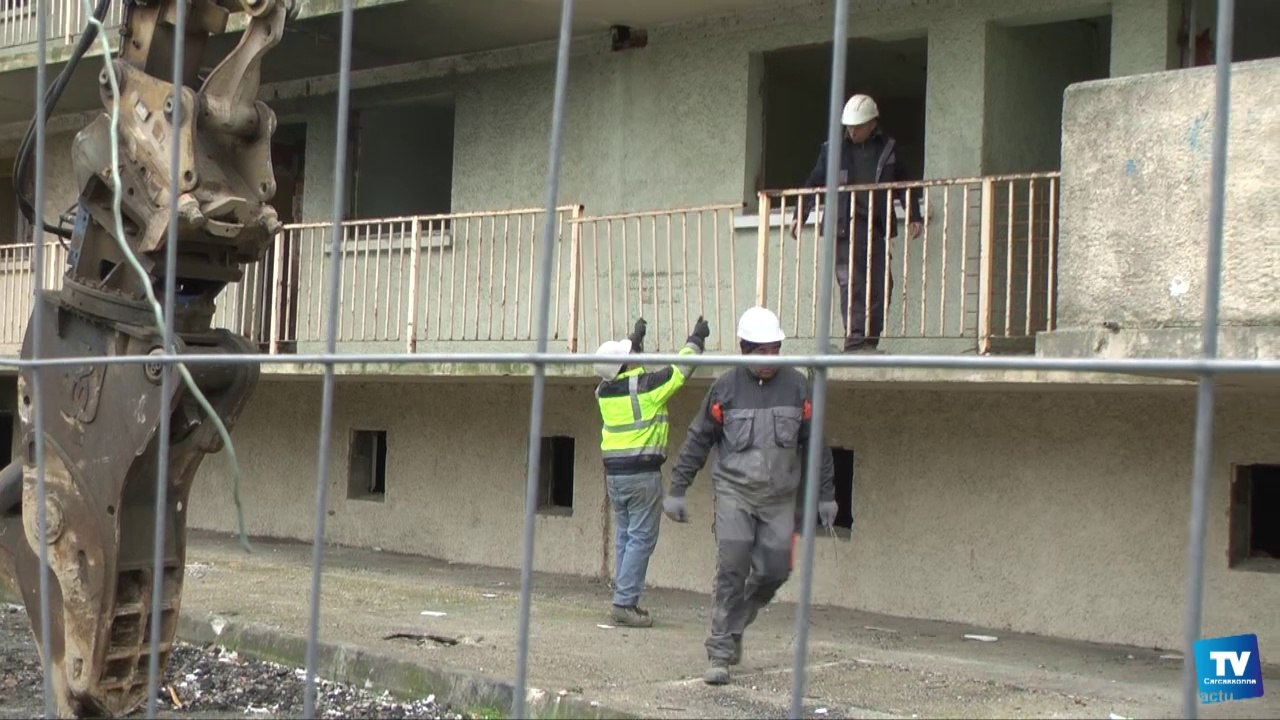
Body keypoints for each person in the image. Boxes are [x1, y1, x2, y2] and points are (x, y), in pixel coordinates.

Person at [663, 306, 836, 685]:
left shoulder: (796, 386)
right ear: (743, 349)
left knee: (777, 569)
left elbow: (816, 444)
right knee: (732, 567)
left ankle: (737, 623)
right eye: (760, 350)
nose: (769, 358)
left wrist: (826, 495)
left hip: (779, 498)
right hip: (734, 493)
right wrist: (677, 488)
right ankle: (720, 652)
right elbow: (698, 439)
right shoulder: (724, 388)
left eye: (774, 349)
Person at [594, 314, 711, 628]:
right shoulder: (645, 387)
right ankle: (624, 603)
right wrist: (696, 339)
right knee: (641, 539)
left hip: (615, 476)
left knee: (625, 536)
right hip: (642, 475)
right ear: (628, 365)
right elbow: (679, 371)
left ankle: (625, 596)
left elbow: (630, 372)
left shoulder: (604, 391)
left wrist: (636, 341)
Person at [791, 93, 923, 353]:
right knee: (851, 283)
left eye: (858, 126)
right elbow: (813, 182)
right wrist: (800, 214)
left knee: (880, 284)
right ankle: (854, 341)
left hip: (875, 226)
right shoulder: (833, 151)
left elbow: (905, 184)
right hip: (844, 227)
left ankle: (869, 342)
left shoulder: (888, 149)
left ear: (873, 123)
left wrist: (913, 215)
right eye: (849, 126)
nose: (852, 131)